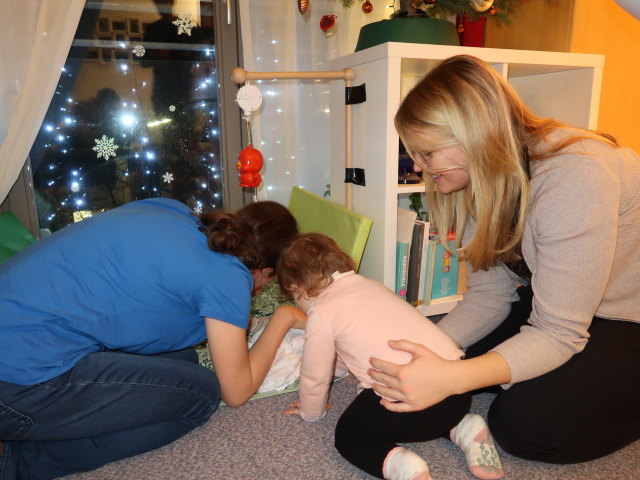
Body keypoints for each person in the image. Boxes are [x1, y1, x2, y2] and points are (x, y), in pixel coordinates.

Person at [366, 54, 640, 466]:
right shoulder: (484, 175)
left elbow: (559, 333)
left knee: (523, 424)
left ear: (472, 136)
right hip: (572, 301)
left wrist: (449, 376)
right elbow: (489, 298)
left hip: (628, 317)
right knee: (460, 355)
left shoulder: (574, 177)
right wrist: (428, 352)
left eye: (427, 154)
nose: (420, 168)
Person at [0, 197, 304, 480]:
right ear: (265, 270)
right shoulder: (229, 275)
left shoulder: (172, 210)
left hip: (14, 324)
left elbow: (154, 307)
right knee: (201, 395)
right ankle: (16, 460)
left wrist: (232, 316)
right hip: (16, 384)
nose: (260, 290)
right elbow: (236, 393)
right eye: (267, 282)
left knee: (184, 362)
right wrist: (282, 318)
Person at [278, 232, 504, 480]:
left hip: (414, 402)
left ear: (296, 287)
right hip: (458, 388)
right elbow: (346, 347)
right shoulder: (371, 285)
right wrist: (340, 372)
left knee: (349, 435)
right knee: (429, 410)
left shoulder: (321, 311)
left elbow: (315, 374)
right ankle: (463, 426)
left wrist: (311, 412)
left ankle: (404, 468)